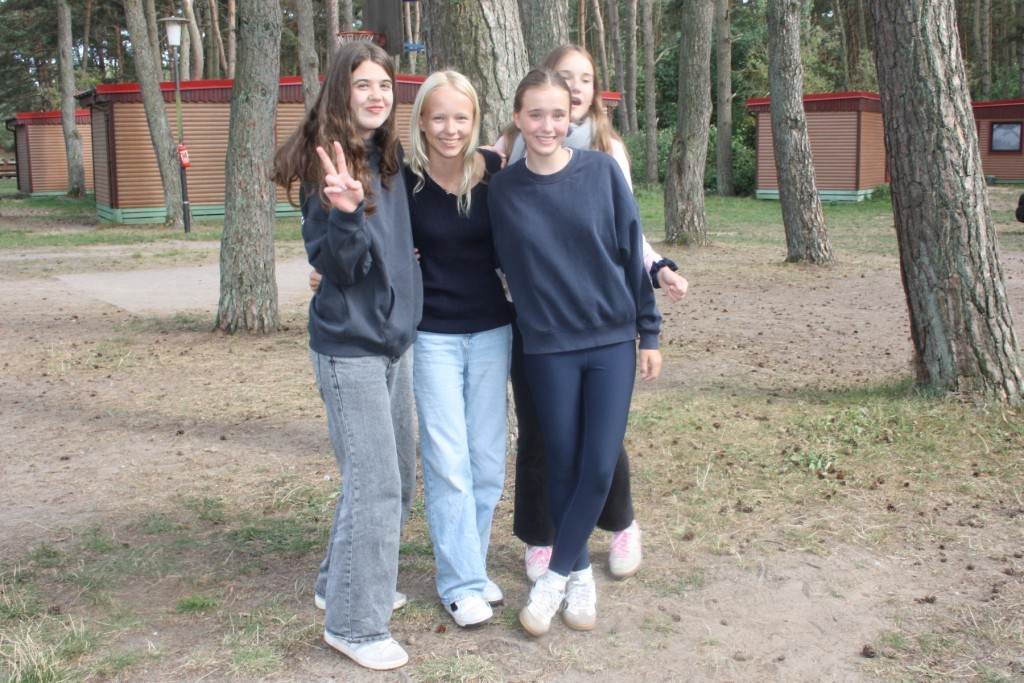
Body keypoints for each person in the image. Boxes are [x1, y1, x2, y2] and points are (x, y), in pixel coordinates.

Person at [496, 44, 688, 583]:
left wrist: (656, 275)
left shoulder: (605, 155)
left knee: (599, 444)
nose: (574, 89)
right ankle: (546, 538)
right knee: (543, 438)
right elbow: (472, 234)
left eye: (584, 79)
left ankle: (619, 523)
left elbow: (626, 237)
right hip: (539, 329)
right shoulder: (502, 161)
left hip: (602, 329)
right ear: (521, 112)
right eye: (565, 77)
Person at [271, 42, 421, 672]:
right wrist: (345, 212)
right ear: (341, 90)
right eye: (363, 84)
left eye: (384, 84)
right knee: (376, 484)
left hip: (394, 342)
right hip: (350, 350)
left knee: (394, 476)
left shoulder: (388, 156)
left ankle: (341, 582)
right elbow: (341, 266)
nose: (376, 95)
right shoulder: (327, 164)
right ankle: (355, 624)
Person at [404, 71, 512, 627]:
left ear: (475, 121)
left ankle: (472, 561)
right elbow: (369, 236)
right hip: (433, 336)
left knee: (487, 460)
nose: (450, 128)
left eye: (461, 117)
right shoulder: (403, 182)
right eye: (439, 117)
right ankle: (460, 583)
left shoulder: (494, 173)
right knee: (448, 461)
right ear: (422, 121)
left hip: (493, 330)